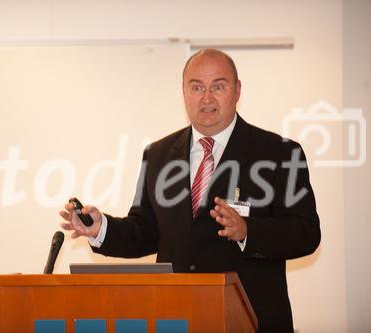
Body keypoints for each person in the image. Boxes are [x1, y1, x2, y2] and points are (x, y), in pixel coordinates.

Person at [59, 48, 321, 332]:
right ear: (184, 92)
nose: (206, 98)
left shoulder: (280, 152)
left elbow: (306, 233)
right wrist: (101, 229)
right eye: (196, 87)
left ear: (237, 90)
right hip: (175, 318)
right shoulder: (157, 154)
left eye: (218, 86)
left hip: (251, 320)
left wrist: (248, 230)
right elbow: (146, 231)